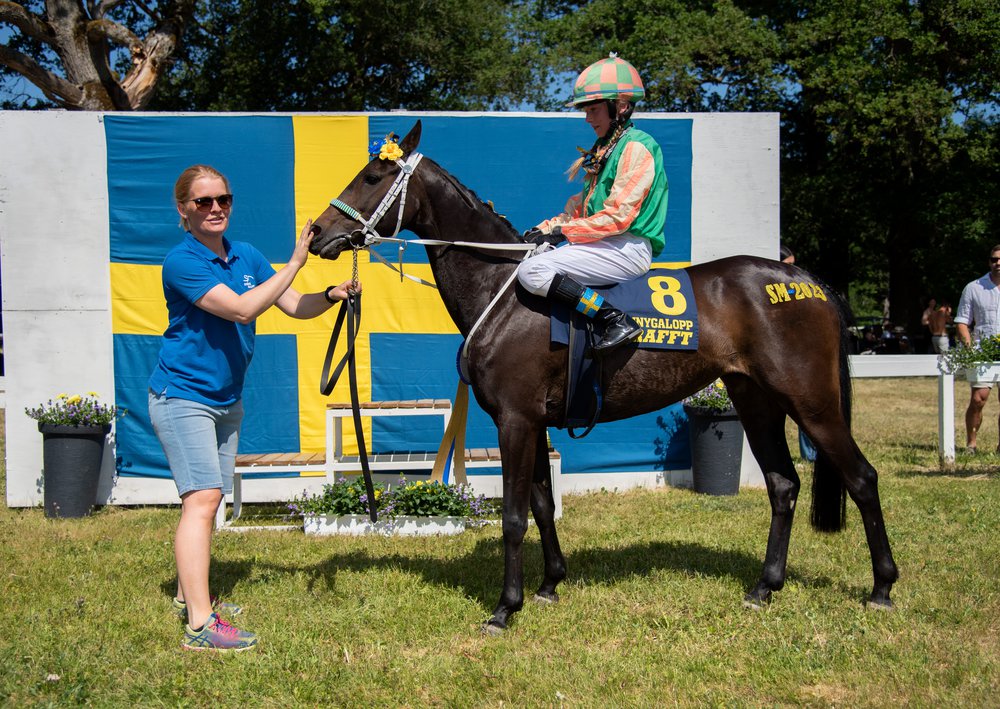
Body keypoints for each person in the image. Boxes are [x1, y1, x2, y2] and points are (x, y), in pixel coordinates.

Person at [149, 165, 358, 651]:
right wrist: (297, 262)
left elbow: (293, 305)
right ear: (184, 210)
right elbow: (243, 308)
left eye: (223, 198)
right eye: (203, 201)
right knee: (200, 500)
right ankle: (201, 625)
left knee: (211, 498)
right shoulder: (182, 262)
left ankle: (188, 594)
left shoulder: (245, 254)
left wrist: (330, 295)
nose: (216, 207)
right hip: (182, 397)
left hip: (225, 398)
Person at [517, 53, 669, 355]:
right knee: (528, 258)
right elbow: (577, 211)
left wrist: (563, 233)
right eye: (586, 110)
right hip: (606, 245)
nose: (588, 118)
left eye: (594, 109)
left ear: (621, 106)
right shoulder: (604, 151)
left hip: (626, 247)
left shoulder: (637, 146)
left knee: (532, 272)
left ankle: (615, 320)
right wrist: (542, 230)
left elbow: (617, 218)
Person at [953, 245, 1000, 454]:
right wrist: (970, 349)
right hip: (983, 351)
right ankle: (971, 443)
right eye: (994, 260)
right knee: (978, 398)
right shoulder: (974, 287)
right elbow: (962, 321)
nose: (997, 263)